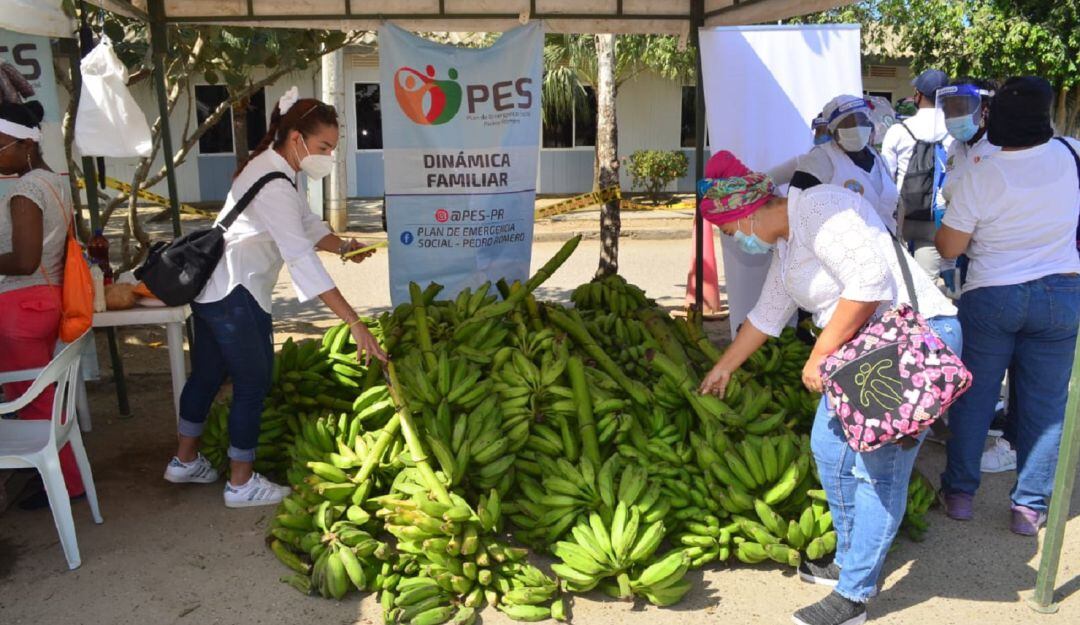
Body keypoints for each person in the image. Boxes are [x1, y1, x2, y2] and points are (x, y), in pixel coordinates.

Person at [697, 151, 958, 625]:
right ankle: (852, 557)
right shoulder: (786, 243)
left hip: (909, 344)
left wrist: (819, 354)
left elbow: (868, 283)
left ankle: (853, 598)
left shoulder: (818, 209)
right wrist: (725, 367)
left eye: (729, 232)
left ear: (746, 213)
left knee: (879, 472)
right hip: (862, 352)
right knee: (830, 448)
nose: (733, 241)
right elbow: (768, 314)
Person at [163, 88, 388, 508]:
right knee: (253, 382)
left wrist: (344, 246)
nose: (327, 156)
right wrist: (355, 323)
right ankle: (240, 483)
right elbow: (300, 256)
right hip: (237, 293)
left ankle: (184, 460)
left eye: (333, 149)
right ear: (296, 137)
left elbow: (307, 225)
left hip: (213, 291)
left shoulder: (273, 170)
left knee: (207, 375)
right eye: (323, 147)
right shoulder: (275, 183)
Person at [935, 76, 1080, 535]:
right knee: (1046, 405)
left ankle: (959, 493)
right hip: (1062, 292)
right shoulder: (1073, 153)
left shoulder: (980, 174)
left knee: (975, 397)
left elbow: (950, 247)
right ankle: (1028, 508)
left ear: (992, 119)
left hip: (992, 293)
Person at [0, 101, 87, 510]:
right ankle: (58, 476)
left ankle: (63, 482)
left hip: (21, 304)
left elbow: (23, 261)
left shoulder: (25, 190)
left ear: (23, 143)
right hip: (45, 300)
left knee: (34, 399)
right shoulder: (54, 181)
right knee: (41, 395)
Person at [789, 95, 899, 230]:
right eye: (849, 123)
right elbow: (797, 209)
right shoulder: (819, 160)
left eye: (861, 120)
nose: (858, 128)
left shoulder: (878, 159)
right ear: (833, 129)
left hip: (888, 244)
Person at [881, 69, 953, 275]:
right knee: (926, 280)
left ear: (918, 95)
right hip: (937, 217)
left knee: (901, 277)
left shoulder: (898, 130)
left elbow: (886, 175)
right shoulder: (953, 132)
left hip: (904, 214)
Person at [937, 77, 999, 296]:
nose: (954, 117)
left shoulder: (998, 147)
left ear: (984, 108)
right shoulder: (956, 146)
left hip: (993, 259)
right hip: (963, 251)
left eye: (960, 108)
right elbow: (951, 197)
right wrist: (948, 261)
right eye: (949, 110)